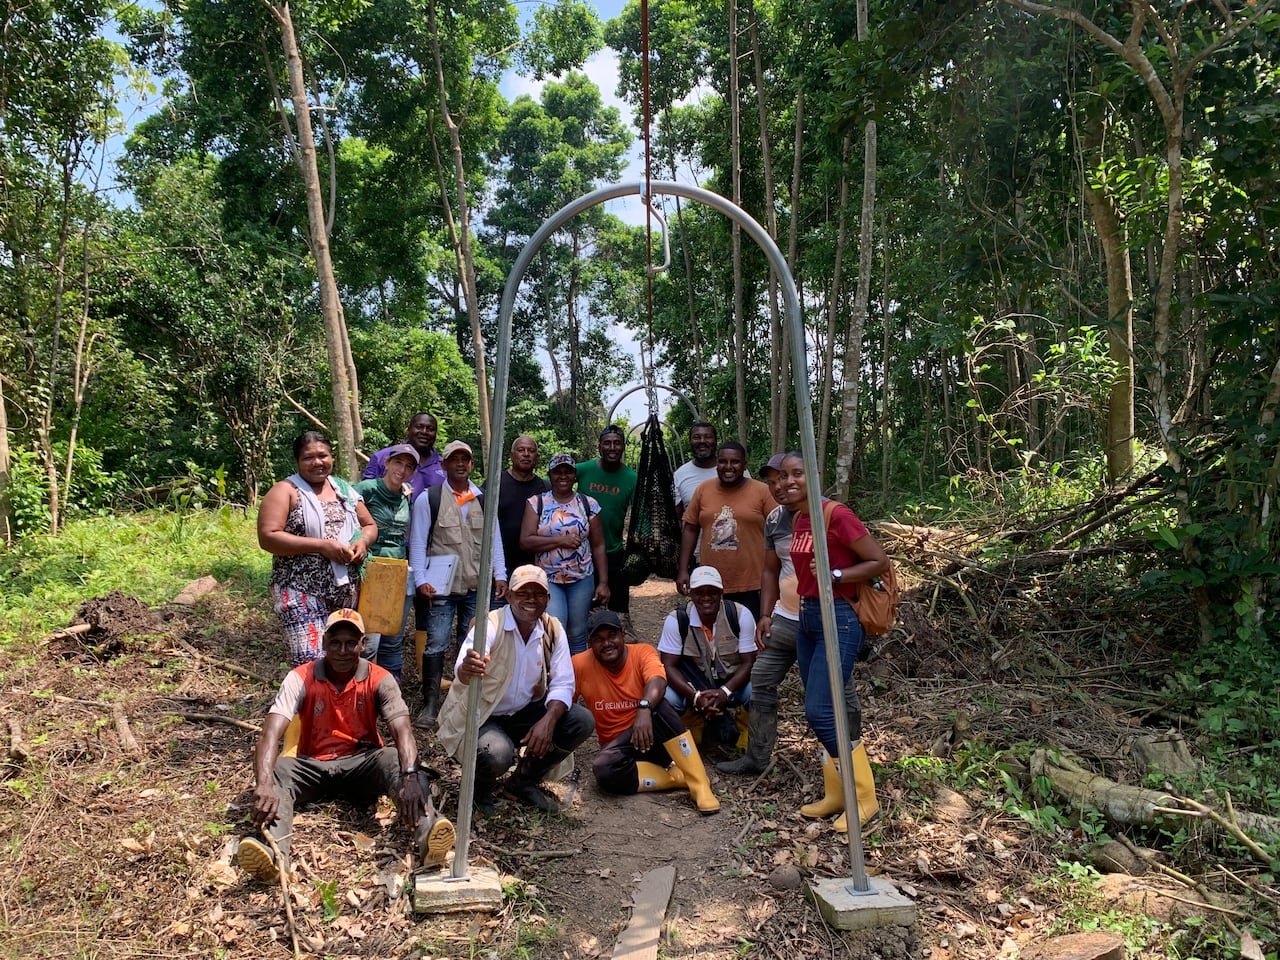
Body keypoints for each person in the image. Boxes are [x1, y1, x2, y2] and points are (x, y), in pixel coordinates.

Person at [236, 609, 454, 882]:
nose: (342, 650)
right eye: (336, 642)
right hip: (312, 765)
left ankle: (429, 833)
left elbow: (402, 730)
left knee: (399, 763)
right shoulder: (300, 678)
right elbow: (270, 733)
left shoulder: (380, 679)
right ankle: (275, 856)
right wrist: (264, 783)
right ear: (324, 643)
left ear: (362, 644)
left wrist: (409, 775)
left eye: (351, 643)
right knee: (278, 770)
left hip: (362, 763)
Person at [717, 454, 861, 777]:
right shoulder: (776, 520)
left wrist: (838, 583)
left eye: (786, 477)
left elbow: (861, 561)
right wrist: (765, 613)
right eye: (773, 481)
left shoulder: (828, 514)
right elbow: (769, 571)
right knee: (762, 677)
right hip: (786, 618)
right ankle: (757, 756)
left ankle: (849, 757)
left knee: (840, 688)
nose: (780, 486)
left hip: (828, 616)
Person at [778, 451, 885, 832]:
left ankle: (864, 797)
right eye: (783, 476)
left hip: (838, 616)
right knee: (826, 708)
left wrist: (835, 572)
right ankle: (836, 793)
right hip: (808, 616)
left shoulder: (836, 515)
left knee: (820, 711)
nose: (788, 482)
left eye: (798, 474)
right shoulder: (801, 517)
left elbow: (878, 561)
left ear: (815, 475)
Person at [436, 565, 595, 812]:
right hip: (485, 713)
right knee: (497, 752)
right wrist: (468, 667)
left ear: (548, 599)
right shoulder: (491, 624)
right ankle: (480, 792)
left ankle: (522, 782)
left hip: (523, 711)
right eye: (523, 593)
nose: (531, 600)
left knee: (579, 720)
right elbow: (464, 666)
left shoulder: (552, 629)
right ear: (509, 596)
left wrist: (548, 721)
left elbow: (563, 683)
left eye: (538, 593)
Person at [572, 609, 720, 814]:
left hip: (654, 737)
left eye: (612, 636)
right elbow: (566, 705)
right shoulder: (579, 664)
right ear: (590, 644)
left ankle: (700, 785)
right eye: (598, 639)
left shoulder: (642, 652)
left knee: (660, 705)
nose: (607, 643)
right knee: (603, 769)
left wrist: (644, 708)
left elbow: (658, 680)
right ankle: (675, 779)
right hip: (619, 749)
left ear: (623, 636)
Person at [408, 440, 508, 726]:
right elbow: (418, 540)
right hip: (441, 586)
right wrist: (421, 580)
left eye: (466, 459)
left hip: (476, 585)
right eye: (455, 459)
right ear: (444, 464)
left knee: (473, 644)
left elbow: (494, 540)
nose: (461, 464)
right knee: (436, 643)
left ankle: (466, 701)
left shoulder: (482, 498)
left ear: (471, 465)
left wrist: (500, 575)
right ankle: (430, 705)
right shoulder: (431, 498)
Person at [258, 431, 378, 666]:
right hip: (300, 589)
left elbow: (370, 524)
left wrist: (362, 542)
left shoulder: (343, 489)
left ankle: (338, 703)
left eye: (322, 455)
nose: (317, 462)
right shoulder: (286, 491)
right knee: (311, 660)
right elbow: (268, 537)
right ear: (297, 462)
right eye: (308, 458)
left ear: (331, 457)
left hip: (345, 591)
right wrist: (320, 546)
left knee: (342, 661)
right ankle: (308, 702)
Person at [657, 566, 756, 747]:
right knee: (666, 697)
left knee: (758, 689)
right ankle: (691, 721)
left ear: (721, 592)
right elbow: (668, 666)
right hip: (694, 686)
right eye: (699, 592)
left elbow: (749, 662)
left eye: (712, 592)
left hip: (733, 684)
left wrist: (724, 691)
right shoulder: (676, 620)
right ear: (691, 594)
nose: (706, 598)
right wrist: (696, 697)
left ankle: (747, 729)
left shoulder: (741, 615)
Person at [520, 452, 609, 655]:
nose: (563, 476)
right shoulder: (536, 503)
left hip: (582, 578)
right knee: (555, 629)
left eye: (567, 472)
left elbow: (599, 546)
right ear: (549, 475)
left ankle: (577, 679)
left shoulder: (589, 504)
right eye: (557, 472)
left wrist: (603, 582)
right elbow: (526, 541)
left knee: (578, 632)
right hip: (549, 578)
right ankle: (553, 679)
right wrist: (561, 540)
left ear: (574, 476)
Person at [676, 441, 773, 620]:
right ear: (717, 464)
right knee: (713, 635)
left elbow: (778, 532)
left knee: (749, 636)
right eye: (722, 462)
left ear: (744, 465)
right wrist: (683, 570)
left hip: (752, 583)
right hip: (710, 582)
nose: (728, 467)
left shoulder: (762, 492)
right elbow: (690, 528)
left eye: (735, 462)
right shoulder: (703, 490)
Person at [354, 443, 418, 677]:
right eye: (398, 463)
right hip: (370, 570)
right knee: (369, 641)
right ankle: (360, 688)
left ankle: (390, 690)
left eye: (408, 466)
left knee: (393, 638)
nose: (402, 469)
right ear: (387, 463)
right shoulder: (367, 489)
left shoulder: (406, 495)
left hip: (398, 571)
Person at [576, 425, 637, 619]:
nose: (612, 447)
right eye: (607, 443)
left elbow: (640, 514)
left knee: (618, 608)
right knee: (586, 608)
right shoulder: (583, 470)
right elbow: (554, 481)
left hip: (613, 550)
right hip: (581, 551)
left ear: (623, 447)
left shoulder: (632, 478)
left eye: (617, 443)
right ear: (599, 447)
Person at [494, 436, 550, 580]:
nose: (526, 454)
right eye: (521, 450)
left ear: (536, 457)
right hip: (501, 568)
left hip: (537, 568)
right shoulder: (495, 484)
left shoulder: (546, 489)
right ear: (511, 455)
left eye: (531, 451)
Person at [362, 412, 445, 501]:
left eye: (430, 429)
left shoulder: (445, 467)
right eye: (419, 427)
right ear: (408, 430)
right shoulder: (383, 456)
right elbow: (364, 494)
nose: (424, 432)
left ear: (435, 434)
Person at [672, 422, 719, 515]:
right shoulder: (679, 475)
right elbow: (677, 516)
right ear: (690, 442)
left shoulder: (733, 470)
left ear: (715, 441)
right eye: (697, 437)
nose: (702, 441)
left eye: (708, 437)